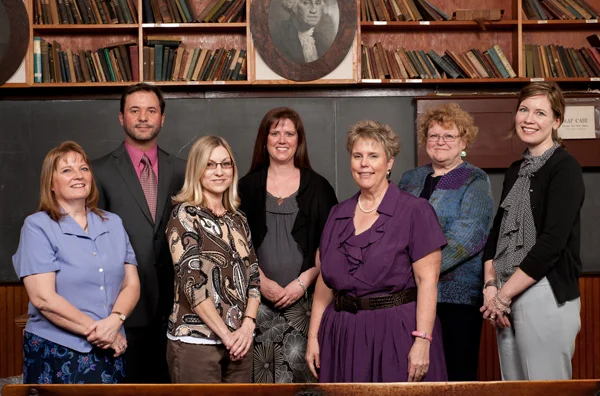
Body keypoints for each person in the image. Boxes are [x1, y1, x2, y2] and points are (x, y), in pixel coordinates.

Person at [305, 120, 448, 382]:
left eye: (373, 156)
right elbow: (325, 283)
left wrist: (423, 341)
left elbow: (427, 281)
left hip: (395, 333)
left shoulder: (415, 211)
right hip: (342, 333)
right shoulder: (337, 214)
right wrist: (313, 337)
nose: (364, 163)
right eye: (357, 156)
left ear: (390, 162)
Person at [481, 82, 585, 380]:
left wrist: (503, 296)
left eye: (540, 112)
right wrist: (491, 288)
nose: (529, 118)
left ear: (556, 121)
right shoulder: (516, 170)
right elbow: (497, 235)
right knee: (513, 387)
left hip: (544, 291)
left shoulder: (565, 167)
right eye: (524, 109)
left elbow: (552, 243)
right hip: (505, 292)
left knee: (545, 388)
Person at [13, 141, 140, 384]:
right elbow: (44, 299)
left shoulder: (113, 223)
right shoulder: (37, 226)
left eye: (83, 169)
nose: (78, 176)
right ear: (51, 183)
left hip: (113, 346)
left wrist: (115, 322)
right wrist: (101, 332)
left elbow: (131, 284)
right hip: (57, 351)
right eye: (67, 170)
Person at [92, 83, 186, 383]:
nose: (143, 117)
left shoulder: (184, 171)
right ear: (121, 117)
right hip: (122, 309)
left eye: (151, 110)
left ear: (163, 118)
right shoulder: (98, 172)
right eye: (135, 110)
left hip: (179, 308)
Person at [238, 107, 338, 383]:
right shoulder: (244, 188)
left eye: (289, 133)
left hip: (306, 304)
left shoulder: (319, 188)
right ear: (265, 139)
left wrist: (304, 281)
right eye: (275, 133)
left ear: (299, 139)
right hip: (255, 304)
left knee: (303, 380)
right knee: (259, 380)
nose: (282, 139)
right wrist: (261, 282)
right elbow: (235, 249)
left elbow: (332, 247)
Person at [399, 103, 494, 381]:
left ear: (464, 141)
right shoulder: (411, 178)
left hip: (456, 298)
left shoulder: (474, 178)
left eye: (449, 136)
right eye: (433, 135)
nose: (440, 141)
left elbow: (469, 237)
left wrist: (417, 271)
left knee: (456, 372)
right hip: (410, 296)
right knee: (414, 372)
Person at [165, 135, 260, 383]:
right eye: (210, 165)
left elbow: (253, 277)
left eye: (225, 164)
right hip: (196, 343)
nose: (219, 171)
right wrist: (225, 336)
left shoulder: (238, 219)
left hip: (240, 343)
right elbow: (192, 285)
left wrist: (247, 326)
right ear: (197, 170)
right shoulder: (185, 216)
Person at [272, 0, 337, 63]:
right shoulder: (280, 40)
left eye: (317, 3)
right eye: (306, 3)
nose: (313, 10)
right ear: (294, 7)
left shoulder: (323, 38)